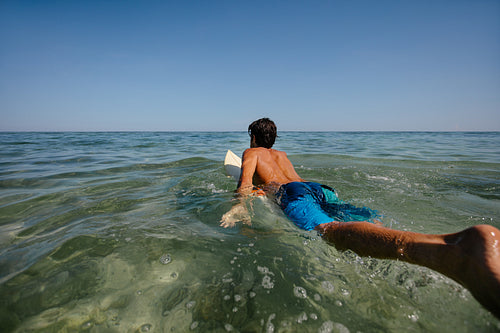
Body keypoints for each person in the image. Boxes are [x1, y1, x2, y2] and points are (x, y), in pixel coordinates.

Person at [220, 117, 500, 319]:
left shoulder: (252, 152)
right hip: (318, 188)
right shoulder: (281, 154)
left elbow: (244, 183)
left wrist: (239, 207)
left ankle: (453, 250)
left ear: (253, 137)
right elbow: (289, 180)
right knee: (363, 220)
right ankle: (403, 246)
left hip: (293, 194)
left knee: (329, 230)